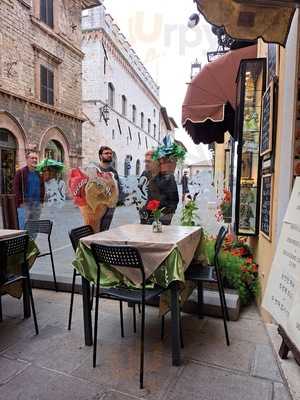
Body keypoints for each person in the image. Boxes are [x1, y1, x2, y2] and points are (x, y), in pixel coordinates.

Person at [13, 151, 45, 231]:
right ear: (27, 159)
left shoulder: (39, 173)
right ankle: (24, 243)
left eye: (36, 158)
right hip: (25, 204)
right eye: (32, 158)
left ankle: (32, 242)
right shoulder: (20, 173)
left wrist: (41, 202)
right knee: (23, 227)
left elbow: (42, 188)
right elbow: (16, 189)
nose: (34, 160)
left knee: (34, 228)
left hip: (37, 205)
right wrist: (20, 203)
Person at [98, 146, 121, 231]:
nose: (109, 155)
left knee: (105, 229)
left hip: (110, 206)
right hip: (97, 205)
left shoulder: (113, 171)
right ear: (100, 156)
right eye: (106, 153)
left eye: (110, 153)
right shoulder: (95, 169)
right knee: (94, 229)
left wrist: (117, 201)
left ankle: (100, 244)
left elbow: (118, 187)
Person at [138, 150, 159, 224]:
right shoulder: (145, 173)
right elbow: (139, 190)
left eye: (149, 162)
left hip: (158, 212)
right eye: (145, 161)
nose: (146, 164)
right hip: (144, 211)